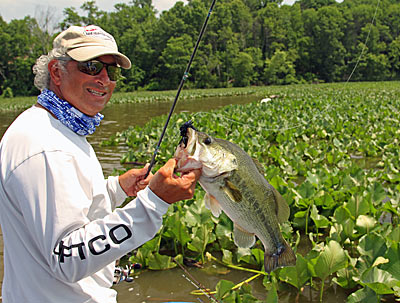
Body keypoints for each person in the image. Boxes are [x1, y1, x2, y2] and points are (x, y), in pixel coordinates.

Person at [0, 25, 201, 302]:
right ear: (57, 72)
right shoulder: (45, 146)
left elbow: (69, 206)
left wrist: (117, 188)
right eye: (92, 67)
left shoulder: (56, 128)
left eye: (112, 71)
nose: (104, 79)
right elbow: (67, 259)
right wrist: (154, 202)